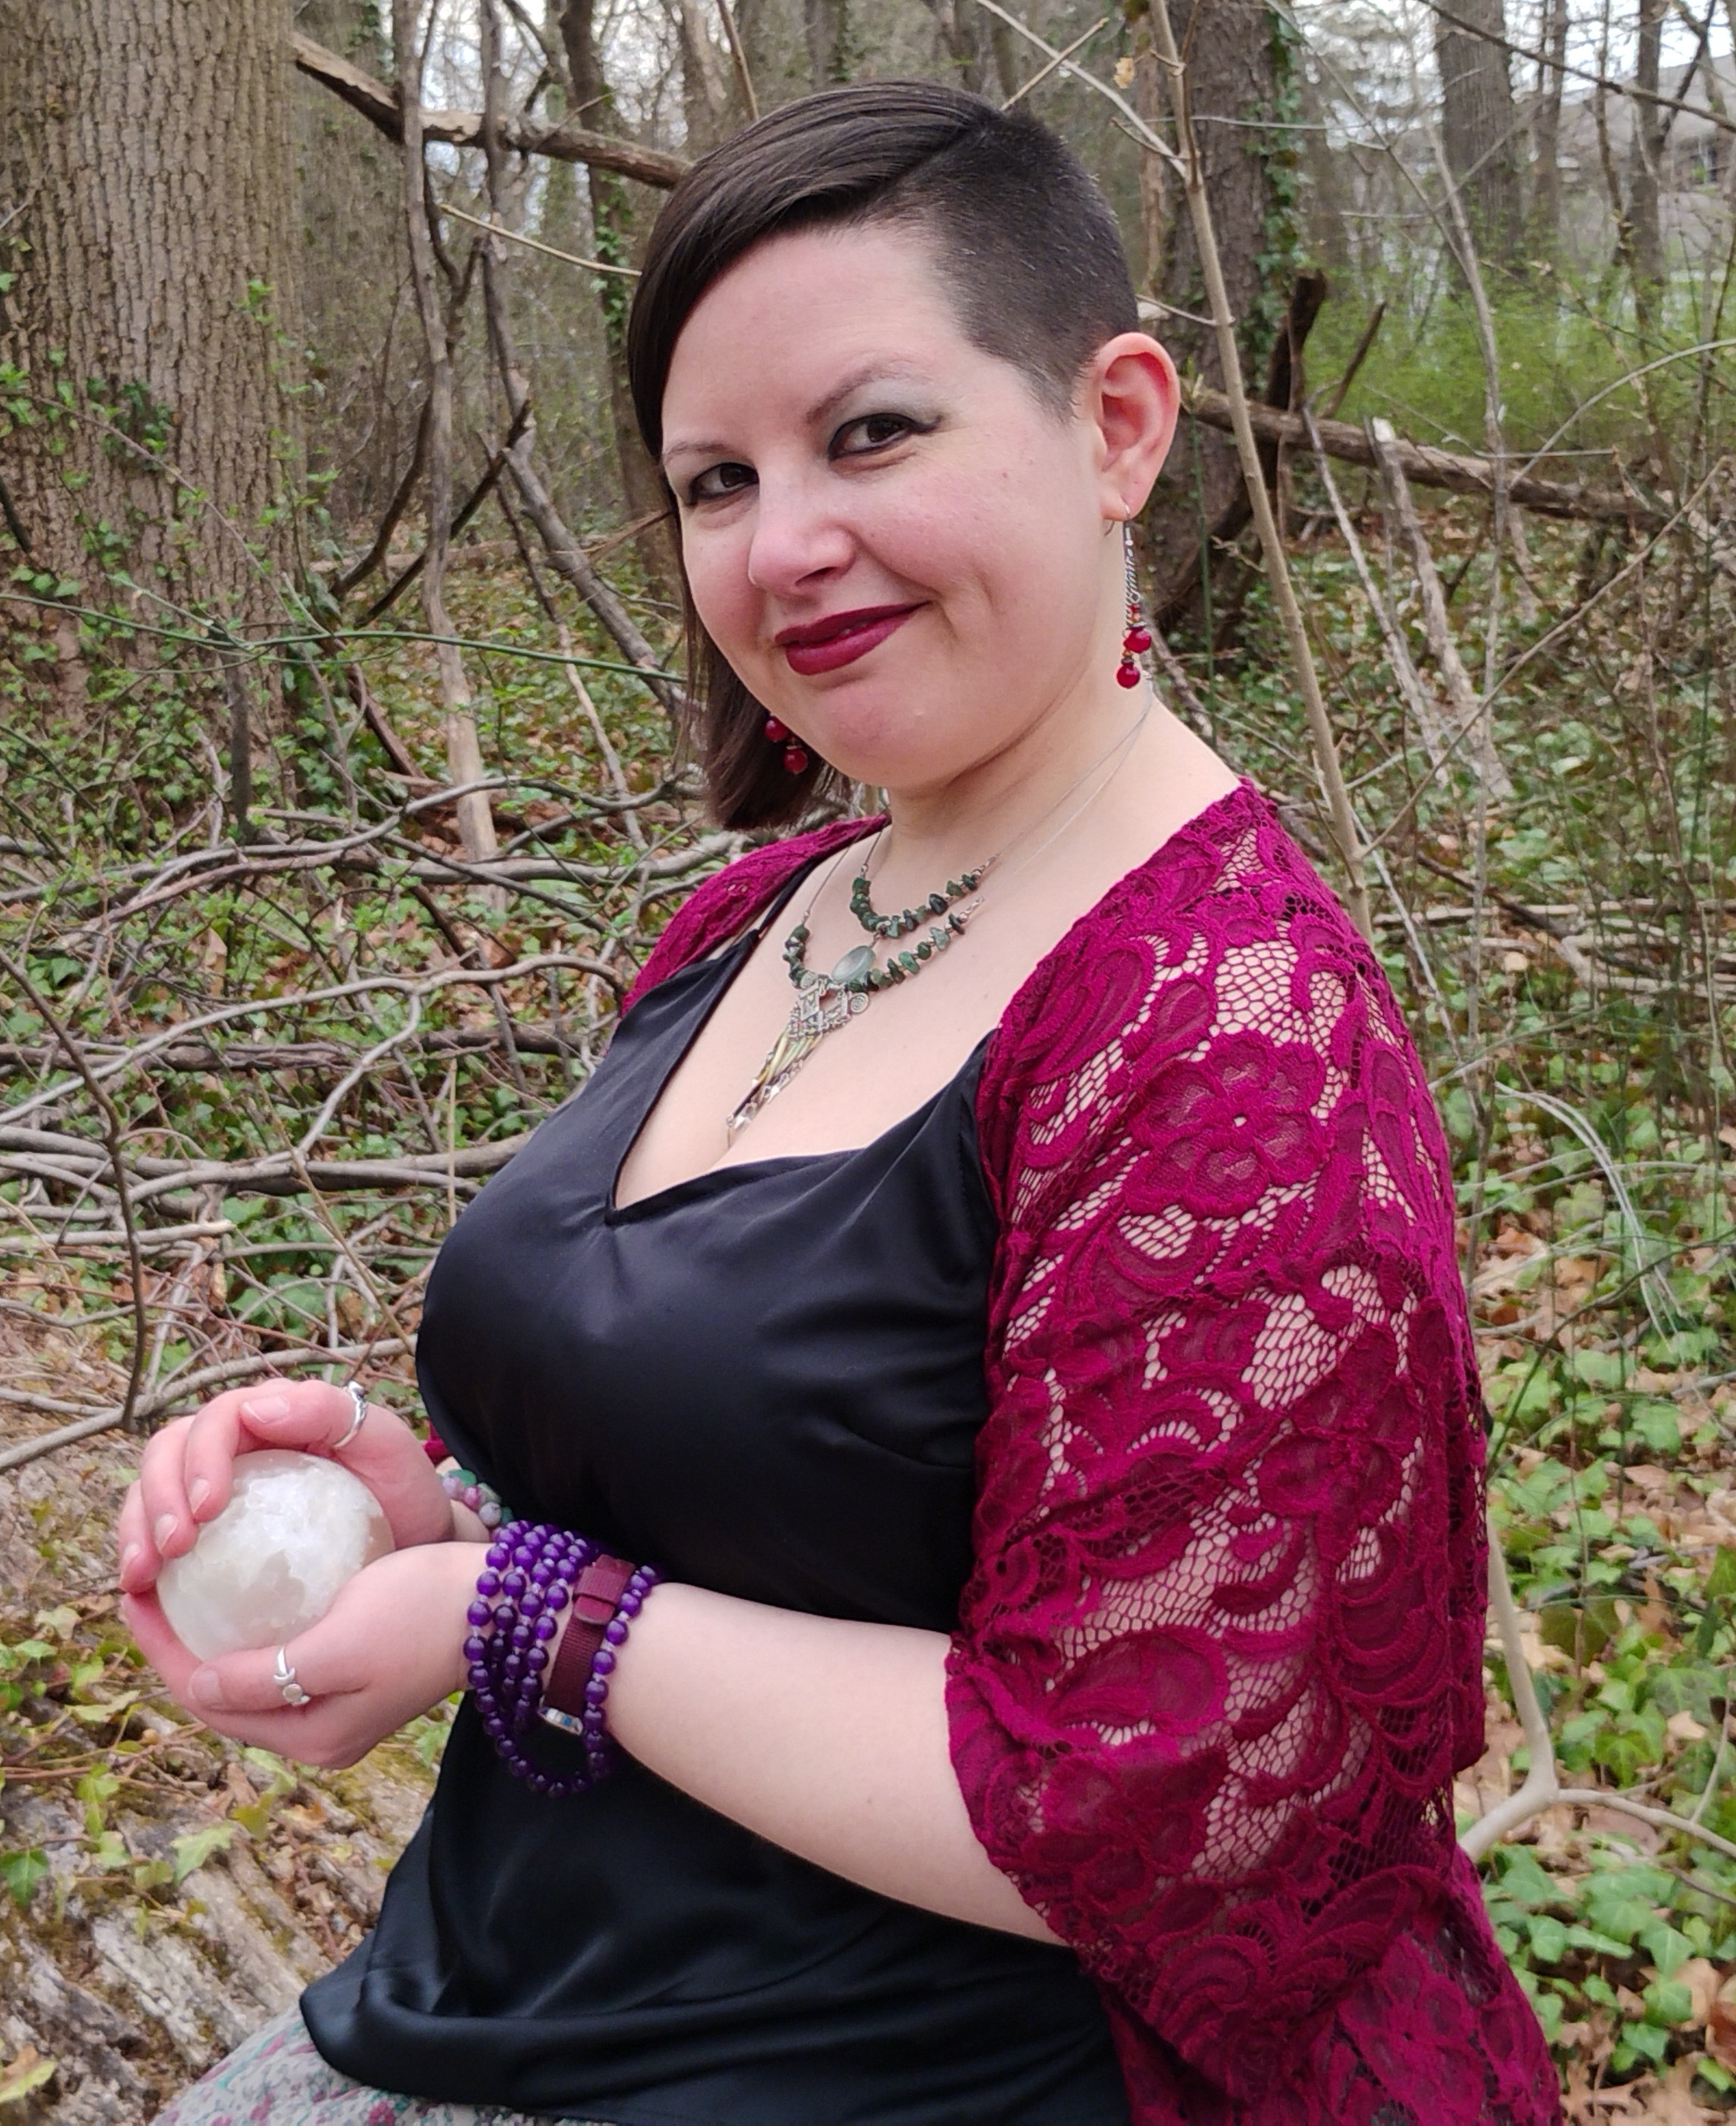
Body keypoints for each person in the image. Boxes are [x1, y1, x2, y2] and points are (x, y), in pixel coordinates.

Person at [126, 80, 1560, 2126]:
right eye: (715, 480)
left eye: (871, 431)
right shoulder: (758, 912)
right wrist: (405, 1504)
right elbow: (771, 1511)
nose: (783, 544)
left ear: (1118, 425)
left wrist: (515, 1610)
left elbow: (1139, 1818)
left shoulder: (1229, 1042)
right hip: (508, 1990)